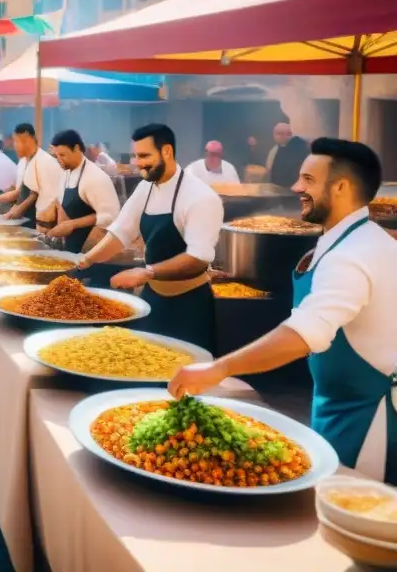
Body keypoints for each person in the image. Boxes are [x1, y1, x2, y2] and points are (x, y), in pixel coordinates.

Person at [171, 139, 397, 483]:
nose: (296, 188)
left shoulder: (354, 254)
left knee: (351, 517)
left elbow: (303, 334)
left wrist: (217, 369)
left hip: (369, 423)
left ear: (340, 187)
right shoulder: (344, 238)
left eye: (307, 180)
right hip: (337, 405)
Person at [77, 124, 223, 350]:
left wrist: (146, 272)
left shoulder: (201, 197)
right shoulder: (146, 188)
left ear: (167, 152)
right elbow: (121, 232)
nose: (137, 163)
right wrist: (84, 261)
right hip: (152, 297)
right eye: (135, 156)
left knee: (181, 376)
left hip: (189, 305)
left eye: (144, 156)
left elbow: (198, 258)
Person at [45, 129, 121, 254]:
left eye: (63, 155)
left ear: (77, 149)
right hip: (71, 248)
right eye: (56, 156)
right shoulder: (66, 173)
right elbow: (62, 204)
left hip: (93, 248)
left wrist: (72, 224)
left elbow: (110, 216)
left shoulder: (96, 178)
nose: (59, 159)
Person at [0, 123, 63, 230]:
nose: (14, 145)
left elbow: (34, 195)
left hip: (44, 221)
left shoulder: (44, 161)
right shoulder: (24, 162)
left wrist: (15, 213)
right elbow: (20, 193)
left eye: (17, 141)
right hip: (30, 218)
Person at [266, 122, 309, 188]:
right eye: (278, 134)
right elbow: (269, 169)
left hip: (290, 189)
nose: (281, 136)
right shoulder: (276, 148)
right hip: (277, 188)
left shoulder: (299, 148)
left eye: (281, 134)